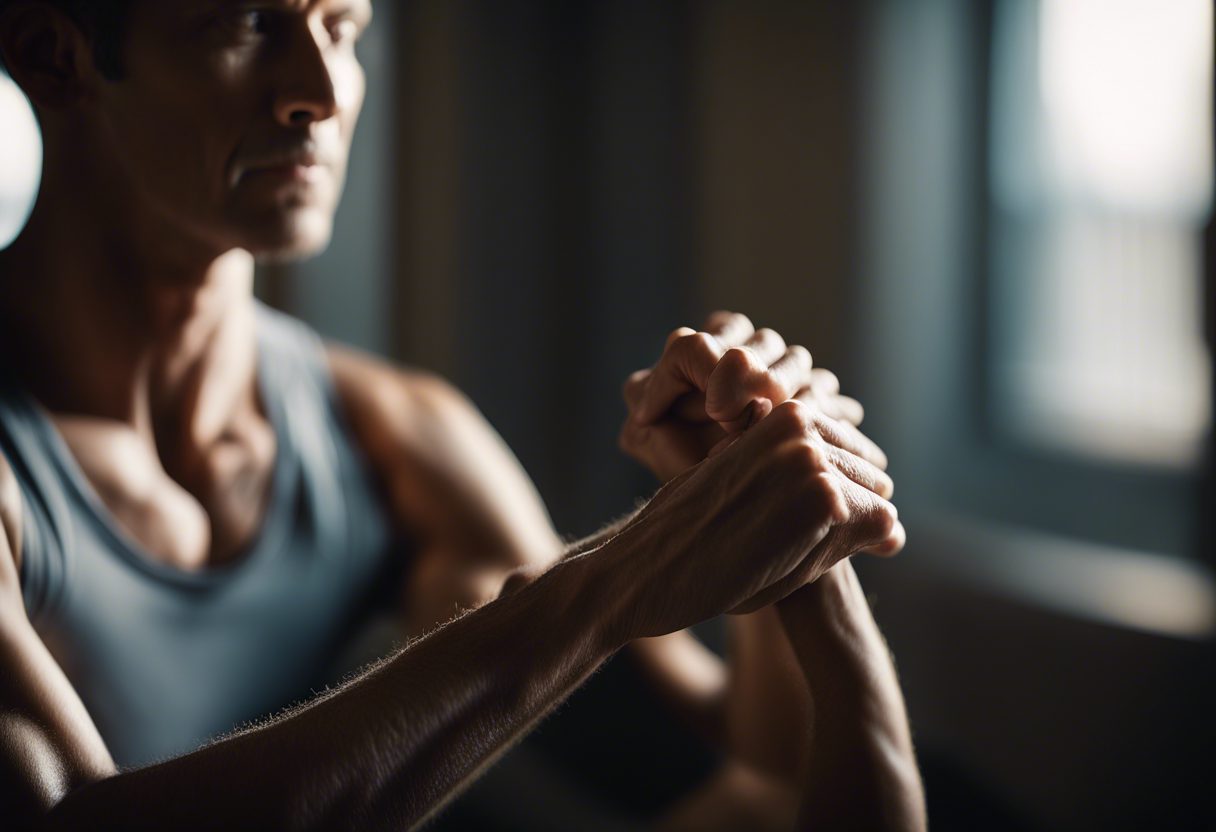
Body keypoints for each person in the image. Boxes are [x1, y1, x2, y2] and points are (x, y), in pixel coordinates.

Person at [0, 1, 926, 829]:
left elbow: (766, 787)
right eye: (246, 25)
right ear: (53, 57)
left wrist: (788, 494)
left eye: (341, 28)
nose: (319, 93)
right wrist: (612, 583)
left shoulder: (395, 433)